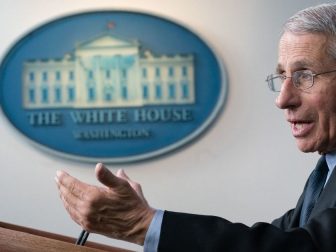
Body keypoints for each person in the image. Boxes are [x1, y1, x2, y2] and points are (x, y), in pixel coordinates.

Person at [55, 3, 336, 251]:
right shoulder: (324, 173)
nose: (282, 99)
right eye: (282, 76)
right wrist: (147, 220)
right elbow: (276, 240)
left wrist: (144, 224)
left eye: (304, 76)